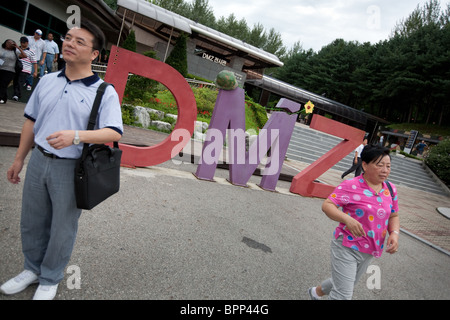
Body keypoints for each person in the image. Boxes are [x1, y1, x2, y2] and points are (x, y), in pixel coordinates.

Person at [1, 19, 123, 300]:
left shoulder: (104, 91)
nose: (69, 44)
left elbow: (113, 131)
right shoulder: (46, 81)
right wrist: (19, 159)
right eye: (68, 38)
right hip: (38, 161)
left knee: (62, 226)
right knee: (32, 220)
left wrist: (76, 136)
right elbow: (31, 122)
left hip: (71, 168)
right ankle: (31, 268)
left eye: (80, 41)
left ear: (95, 54)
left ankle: (51, 277)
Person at [308, 144, 399, 300]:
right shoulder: (350, 186)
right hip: (347, 246)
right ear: (365, 165)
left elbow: (394, 215)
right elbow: (327, 205)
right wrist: (347, 219)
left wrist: (394, 234)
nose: (385, 170)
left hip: (370, 249)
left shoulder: (390, 189)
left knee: (346, 283)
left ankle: (316, 292)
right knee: (343, 295)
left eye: (388, 166)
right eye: (380, 165)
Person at [0, 39, 27, 104]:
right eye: (8, 43)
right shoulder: (1, 49)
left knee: (3, 84)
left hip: (10, 71)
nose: (10, 44)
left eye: (12, 43)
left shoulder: (15, 51)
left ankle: (0, 97)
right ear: (5, 43)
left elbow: (24, 56)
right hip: (1, 69)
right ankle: (4, 97)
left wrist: (18, 47)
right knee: (2, 84)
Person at [12, 37, 38, 102]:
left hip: (25, 69)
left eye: (23, 42)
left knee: (20, 82)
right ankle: (17, 94)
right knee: (15, 82)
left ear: (27, 43)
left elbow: (34, 62)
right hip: (16, 68)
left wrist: (35, 71)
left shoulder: (31, 52)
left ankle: (16, 95)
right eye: (21, 42)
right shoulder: (16, 49)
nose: (22, 43)